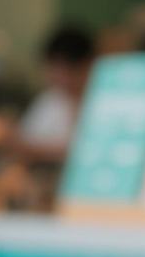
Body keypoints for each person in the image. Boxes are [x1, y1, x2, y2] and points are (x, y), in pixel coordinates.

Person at [16, 26, 95, 165]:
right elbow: (25, 140)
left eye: (70, 69)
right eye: (55, 68)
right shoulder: (48, 100)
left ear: (88, 65)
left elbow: (85, 151)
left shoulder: (99, 104)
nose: (61, 77)